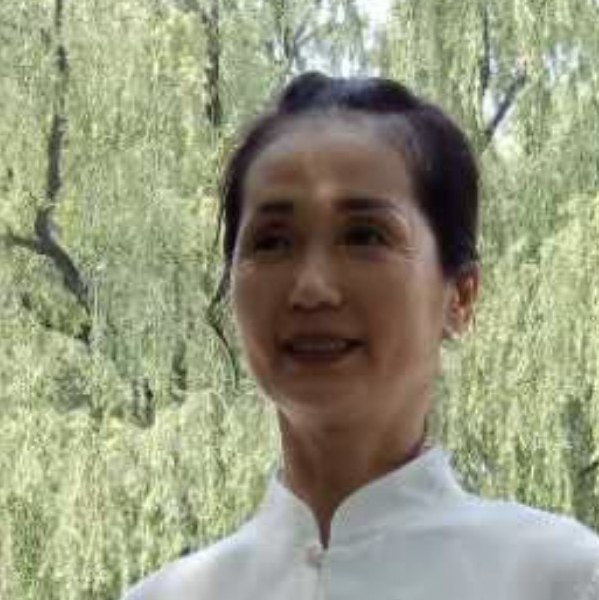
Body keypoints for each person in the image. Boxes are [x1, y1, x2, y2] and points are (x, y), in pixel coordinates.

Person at [122, 72, 599, 599]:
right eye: (272, 242)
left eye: (364, 236)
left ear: (460, 297)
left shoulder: (562, 578)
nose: (311, 288)